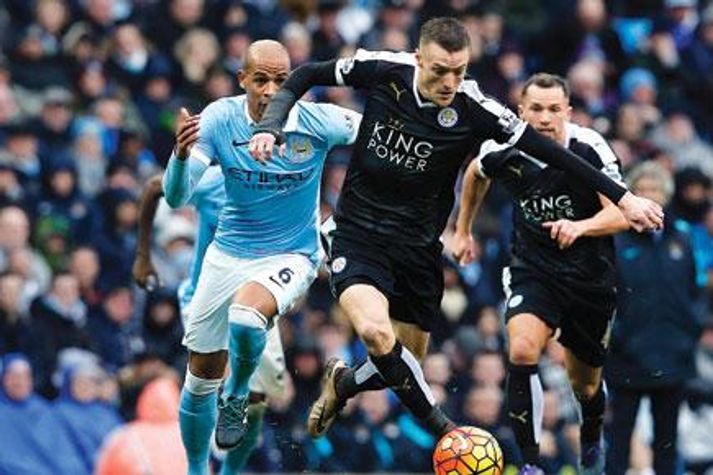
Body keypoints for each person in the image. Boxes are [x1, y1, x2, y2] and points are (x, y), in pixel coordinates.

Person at [248, 17, 662, 442]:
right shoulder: (385, 69)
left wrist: (624, 197)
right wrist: (270, 125)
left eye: (459, 71)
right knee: (375, 332)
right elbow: (305, 74)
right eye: (439, 70)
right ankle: (450, 434)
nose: (449, 82)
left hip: (418, 249)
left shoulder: (475, 107)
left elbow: (552, 154)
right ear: (417, 59)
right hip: (357, 234)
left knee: (403, 362)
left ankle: (345, 384)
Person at [160, 39, 361, 475]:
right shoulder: (218, 119)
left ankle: (235, 395)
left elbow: (380, 137)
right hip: (227, 255)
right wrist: (178, 157)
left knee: (247, 318)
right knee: (197, 381)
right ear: (242, 80)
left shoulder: (320, 121)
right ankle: (197, 470)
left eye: (282, 80)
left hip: (292, 255)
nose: (272, 90)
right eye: (261, 80)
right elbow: (176, 197)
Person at [452, 73, 630, 474]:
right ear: (521, 111)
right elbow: (475, 175)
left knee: (584, 386)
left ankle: (591, 436)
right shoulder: (502, 147)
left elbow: (622, 211)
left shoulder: (589, 147)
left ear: (568, 111)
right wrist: (463, 230)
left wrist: (580, 227)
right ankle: (530, 464)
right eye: (536, 109)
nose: (545, 118)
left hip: (589, 278)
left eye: (554, 110)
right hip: (533, 269)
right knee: (521, 350)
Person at [133, 166, 286, 473]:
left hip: (256, 302)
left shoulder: (284, 185)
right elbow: (152, 188)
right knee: (205, 382)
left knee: (257, 401)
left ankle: (230, 470)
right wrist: (143, 256)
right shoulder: (212, 179)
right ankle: (197, 468)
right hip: (205, 298)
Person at [607, 161, 705, 475]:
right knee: (620, 437)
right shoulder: (615, 238)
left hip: (673, 352)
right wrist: (618, 334)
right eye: (644, 189)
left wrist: (690, 330)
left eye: (656, 190)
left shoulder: (682, 237)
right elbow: (605, 294)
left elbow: (694, 290)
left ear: (667, 194)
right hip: (626, 355)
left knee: (667, 440)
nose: (651, 195)